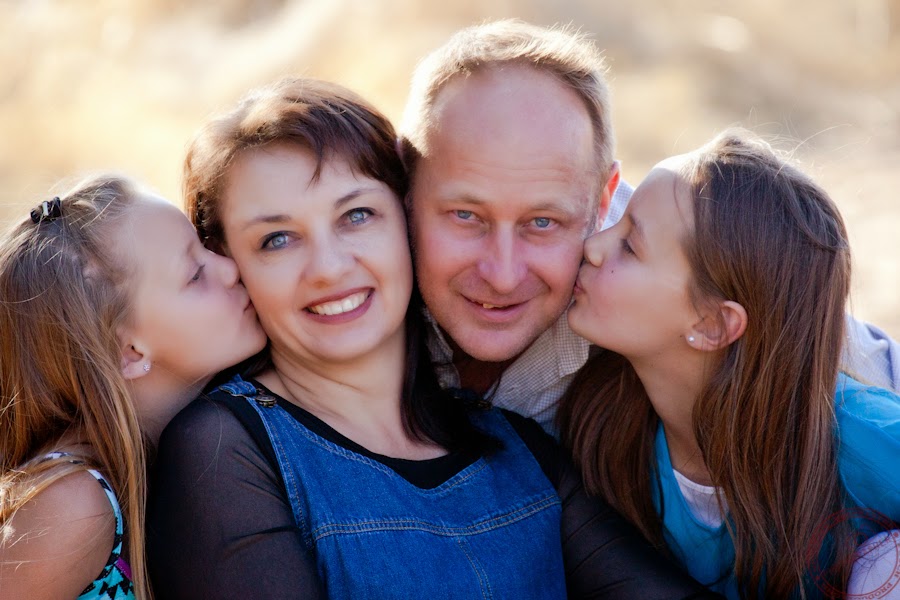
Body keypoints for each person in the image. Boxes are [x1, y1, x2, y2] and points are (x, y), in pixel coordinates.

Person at [147, 76, 721, 599]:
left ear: (408, 216)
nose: (328, 268)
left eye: (356, 216)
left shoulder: (519, 447)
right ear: (230, 265)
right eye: (276, 239)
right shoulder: (222, 449)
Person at [398, 19, 900, 435]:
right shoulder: (363, 269)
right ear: (404, 182)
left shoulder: (667, 268)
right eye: (466, 216)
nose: (502, 276)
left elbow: (866, 367)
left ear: (602, 201)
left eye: (543, 222)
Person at [556, 130, 900, 599]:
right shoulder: (602, 424)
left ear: (713, 324)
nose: (593, 246)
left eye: (629, 246)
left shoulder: (859, 434)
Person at [0, 176, 267, 599]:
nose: (231, 267)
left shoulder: (157, 465)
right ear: (128, 351)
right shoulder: (75, 504)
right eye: (196, 274)